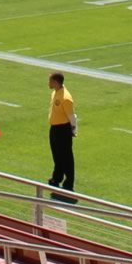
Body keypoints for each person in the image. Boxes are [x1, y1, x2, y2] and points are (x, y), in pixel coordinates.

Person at [46, 72, 77, 202]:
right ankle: (57, 178)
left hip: (63, 129)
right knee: (56, 155)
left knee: (66, 157)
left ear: (56, 82)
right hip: (54, 128)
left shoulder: (66, 98)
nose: (48, 83)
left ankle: (69, 182)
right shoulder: (54, 93)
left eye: (50, 80)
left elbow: (72, 117)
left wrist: (74, 130)